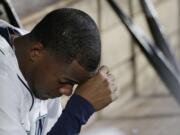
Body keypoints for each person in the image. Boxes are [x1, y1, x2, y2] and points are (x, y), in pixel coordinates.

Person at [0, 8, 118, 135]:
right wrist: (78, 110)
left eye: (73, 84)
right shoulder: (4, 80)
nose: (68, 92)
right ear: (35, 52)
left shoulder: (44, 55)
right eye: (65, 81)